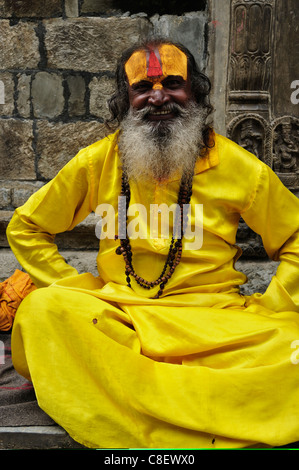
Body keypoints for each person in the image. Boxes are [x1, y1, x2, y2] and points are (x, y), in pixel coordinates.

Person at [6, 38, 299, 449]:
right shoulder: (96, 163)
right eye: (142, 87)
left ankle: (129, 402)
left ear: (194, 91)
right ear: (125, 100)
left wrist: (275, 305)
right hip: (120, 316)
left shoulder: (238, 167)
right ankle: (199, 411)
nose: (158, 97)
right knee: (41, 310)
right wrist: (74, 284)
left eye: (173, 83)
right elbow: (26, 226)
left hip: (213, 323)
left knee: (295, 350)